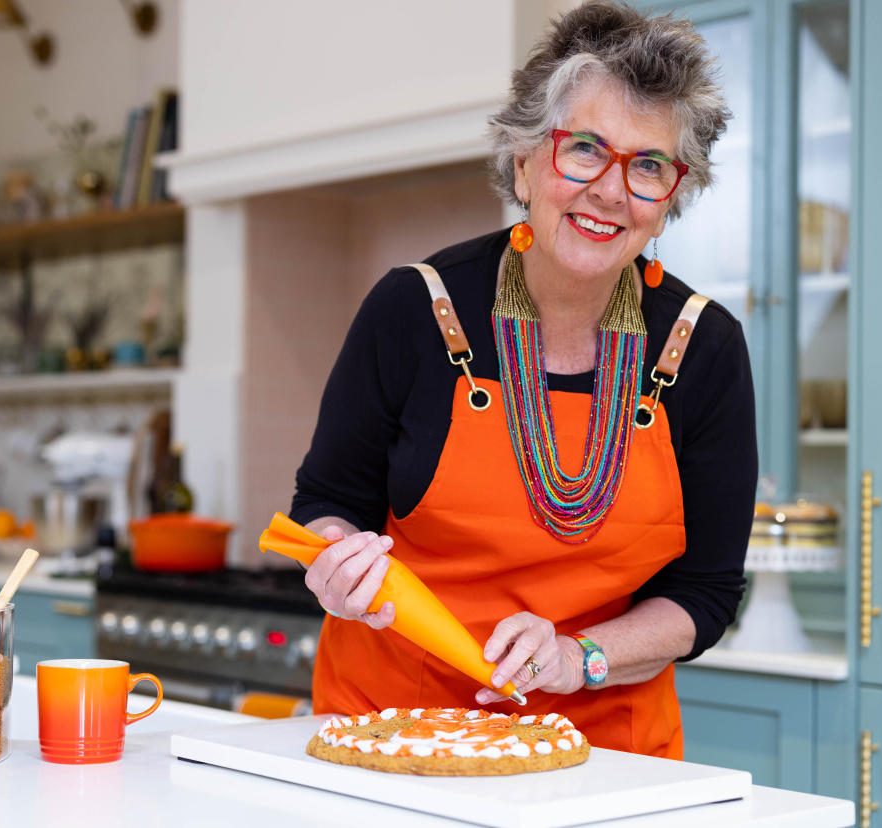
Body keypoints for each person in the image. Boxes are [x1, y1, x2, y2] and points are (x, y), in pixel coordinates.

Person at [289, 0, 756, 760]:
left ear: (672, 196)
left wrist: (579, 659)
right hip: (392, 733)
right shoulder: (414, 308)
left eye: (648, 165)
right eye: (585, 150)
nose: (610, 190)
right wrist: (333, 561)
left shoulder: (700, 347)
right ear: (523, 159)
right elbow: (328, 505)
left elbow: (703, 593)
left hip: (603, 751)